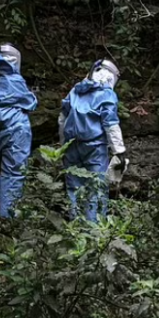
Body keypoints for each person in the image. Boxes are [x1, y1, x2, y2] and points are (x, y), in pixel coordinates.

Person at [58, 58, 127, 222]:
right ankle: (93, 231)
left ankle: (75, 229)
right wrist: (119, 151)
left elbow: (62, 119)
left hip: (71, 146)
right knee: (96, 187)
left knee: (74, 188)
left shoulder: (75, 90)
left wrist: (62, 145)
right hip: (94, 147)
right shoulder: (107, 94)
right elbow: (110, 124)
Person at [0, 43, 37, 217]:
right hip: (16, 130)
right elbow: (30, 103)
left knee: (8, 169)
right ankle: (7, 220)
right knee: (15, 173)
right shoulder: (13, 79)